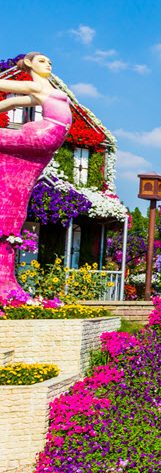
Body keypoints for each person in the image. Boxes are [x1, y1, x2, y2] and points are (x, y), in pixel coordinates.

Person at [0, 52, 72, 297]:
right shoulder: (34, 85)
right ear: (29, 64)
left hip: (49, 139)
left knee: (16, 196)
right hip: (45, 133)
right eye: (42, 60)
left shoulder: (41, 89)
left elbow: (10, 104)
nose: (49, 64)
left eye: (50, 61)